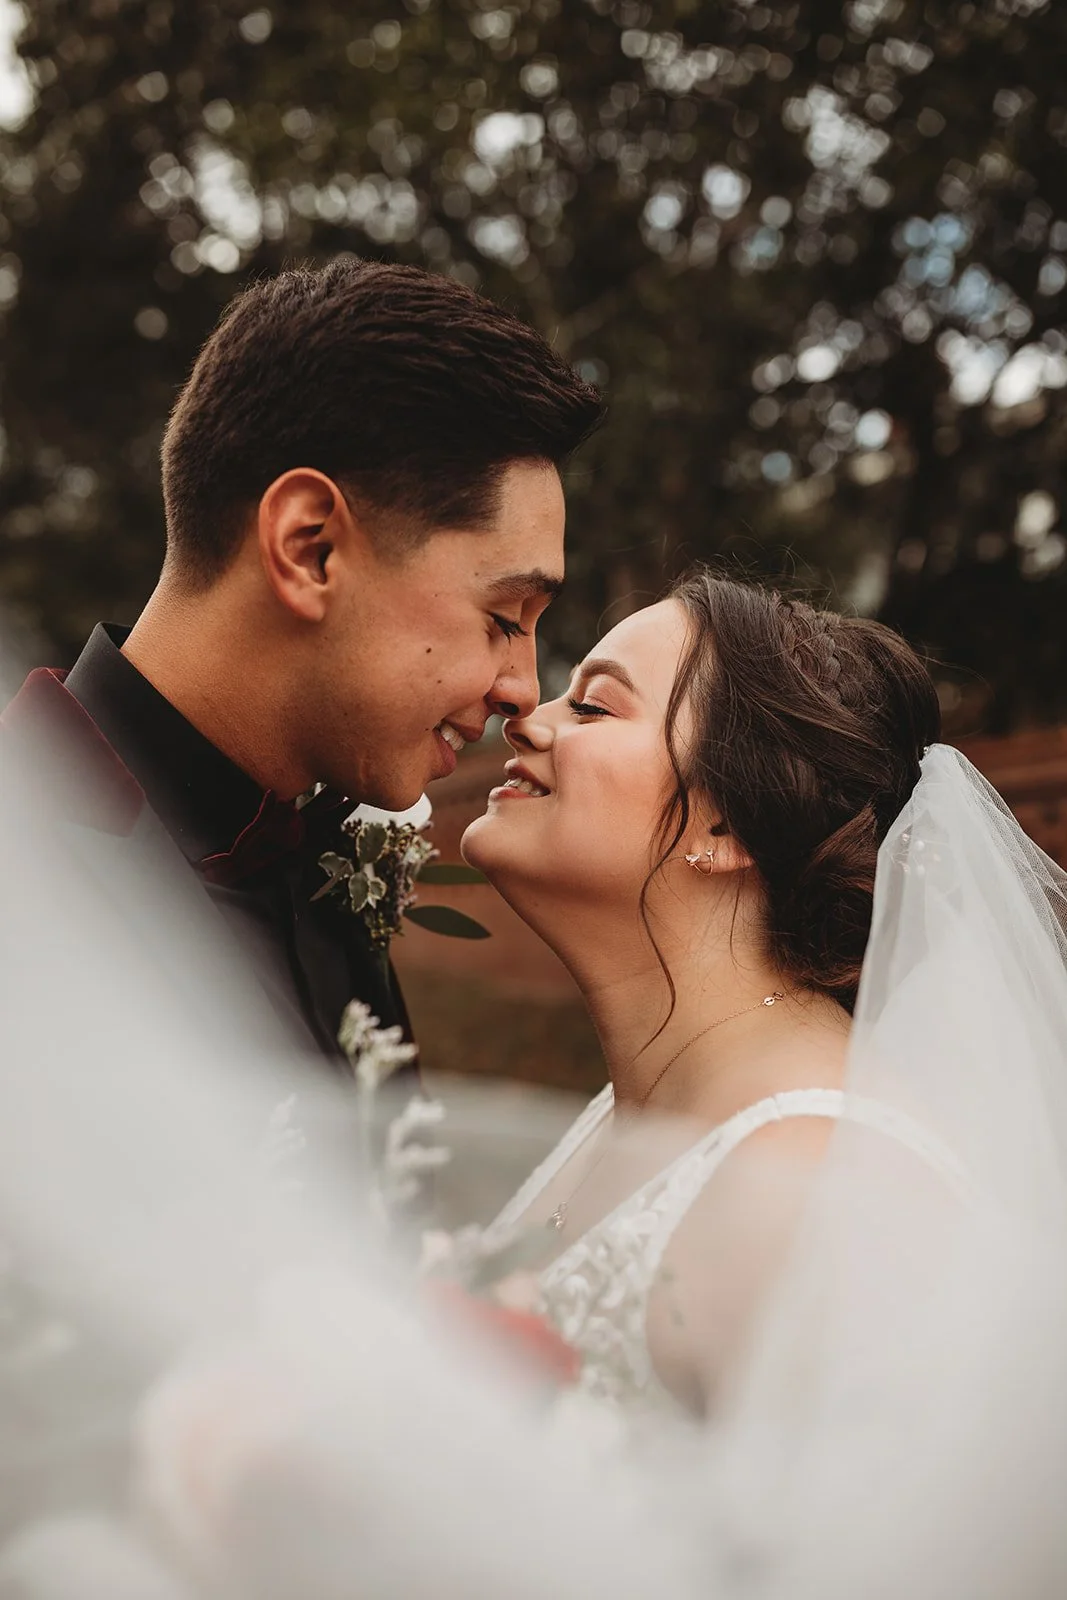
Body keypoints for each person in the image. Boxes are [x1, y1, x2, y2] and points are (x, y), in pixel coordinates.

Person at [461, 568, 1066, 1418]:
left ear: (726, 824)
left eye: (592, 706)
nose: (525, 716)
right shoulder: (637, 1103)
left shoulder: (819, 1188)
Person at [1, 259, 602, 1067]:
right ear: (308, 548)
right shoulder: (24, 885)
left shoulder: (325, 860)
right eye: (501, 618)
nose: (523, 693)